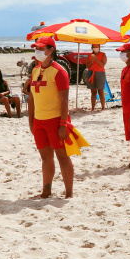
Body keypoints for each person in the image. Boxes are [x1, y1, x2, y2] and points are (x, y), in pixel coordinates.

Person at [26, 37, 74, 198]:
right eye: (36, 48)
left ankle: (69, 193)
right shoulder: (35, 70)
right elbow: (31, 98)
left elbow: (64, 100)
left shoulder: (59, 71)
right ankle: (46, 190)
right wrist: (31, 121)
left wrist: (63, 124)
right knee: (46, 158)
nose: (37, 51)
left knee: (63, 158)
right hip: (39, 121)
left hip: (55, 120)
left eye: (41, 48)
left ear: (51, 50)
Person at [85, 43, 108, 111]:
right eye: (94, 47)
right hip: (91, 73)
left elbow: (102, 64)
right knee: (93, 92)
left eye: (96, 47)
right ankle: (92, 108)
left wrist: (96, 59)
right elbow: (87, 66)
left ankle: (103, 107)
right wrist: (92, 60)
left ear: (99, 47)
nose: (95, 48)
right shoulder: (90, 55)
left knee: (101, 91)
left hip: (100, 73)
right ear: (92, 48)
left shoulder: (103, 54)